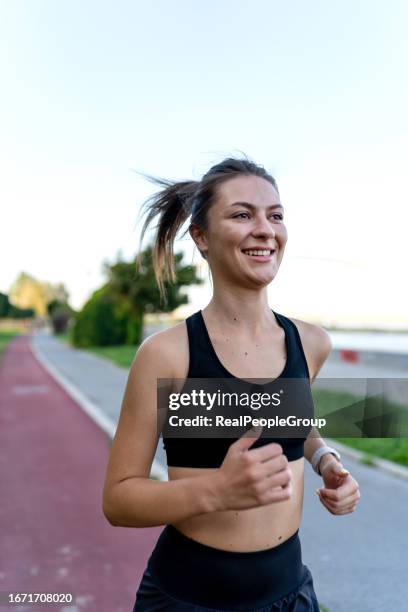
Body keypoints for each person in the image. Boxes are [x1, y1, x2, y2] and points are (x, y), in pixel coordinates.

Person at [102, 156, 361, 611]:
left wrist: (326, 460)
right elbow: (119, 499)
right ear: (201, 237)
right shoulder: (168, 354)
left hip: (291, 594)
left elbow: (293, 423)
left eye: (275, 215)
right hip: (188, 598)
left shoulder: (311, 342)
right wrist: (216, 491)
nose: (265, 229)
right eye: (242, 214)